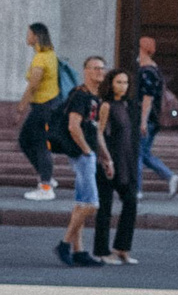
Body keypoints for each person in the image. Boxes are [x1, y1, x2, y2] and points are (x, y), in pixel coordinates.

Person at [52, 56, 111, 267]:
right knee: (91, 204)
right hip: (80, 154)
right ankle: (64, 243)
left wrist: (106, 158)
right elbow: (73, 126)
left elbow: (97, 132)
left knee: (81, 204)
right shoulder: (80, 96)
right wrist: (87, 151)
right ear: (85, 71)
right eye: (94, 68)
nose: (99, 72)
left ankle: (79, 251)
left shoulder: (97, 99)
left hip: (89, 154)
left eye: (102, 69)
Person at [94, 64, 143, 265]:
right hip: (109, 161)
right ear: (111, 84)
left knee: (130, 202)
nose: (122, 86)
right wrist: (106, 159)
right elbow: (99, 133)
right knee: (105, 207)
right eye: (118, 82)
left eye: (125, 82)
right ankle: (101, 251)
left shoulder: (129, 105)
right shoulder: (105, 105)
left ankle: (122, 248)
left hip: (127, 161)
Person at [16, 21, 63, 199]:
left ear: (36, 36)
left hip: (44, 106)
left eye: (29, 34)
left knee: (39, 143)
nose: (27, 37)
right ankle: (47, 178)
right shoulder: (50, 55)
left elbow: (33, 85)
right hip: (47, 106)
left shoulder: (41, 58)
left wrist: (21, 107)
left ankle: (45, 187)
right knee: (27, 140)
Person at [134, 35, 178, 196]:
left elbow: (147, 98)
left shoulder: (146, 72)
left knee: (137, 154)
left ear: (144, 50)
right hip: (154, 118)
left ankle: (137, 190)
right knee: (143, 153)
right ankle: (170, 176)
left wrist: (143, 121)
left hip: (147, 118)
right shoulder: (154, 69)